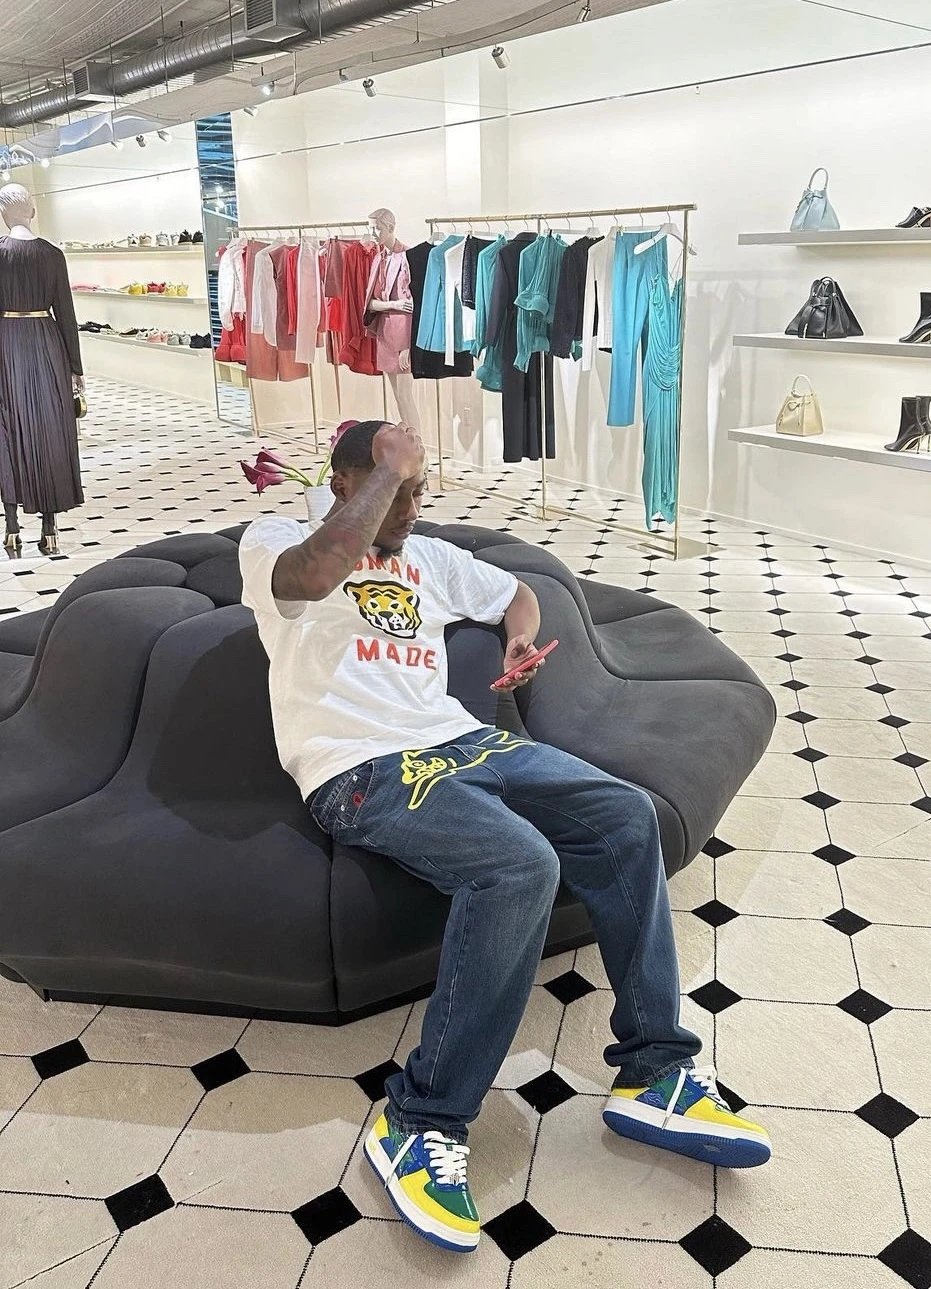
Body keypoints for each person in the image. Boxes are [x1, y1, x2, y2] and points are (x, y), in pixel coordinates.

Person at [239, 420, 771, 1256]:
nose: (413, 507)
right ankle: (419, 1119)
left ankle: (654, 1069)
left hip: (461, 739)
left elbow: (513, 591)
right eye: (398, 489)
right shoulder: (277, 539)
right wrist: (386, 475)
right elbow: (314, 572)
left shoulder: (428, 554)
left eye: (419, 490)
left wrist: (518, 634)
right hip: (360, 766)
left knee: (624, 815)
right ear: (344, 483)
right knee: (519, 865)